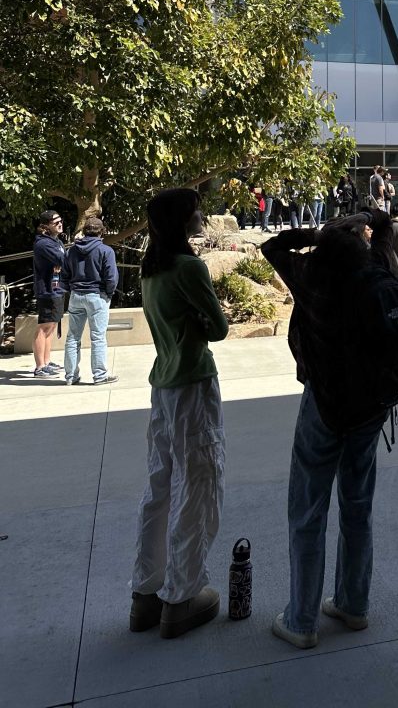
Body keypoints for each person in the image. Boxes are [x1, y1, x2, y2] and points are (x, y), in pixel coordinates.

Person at [263, 212, 398, 649]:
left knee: (308, 510)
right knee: (357, 504)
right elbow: (384, 229)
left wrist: (319, 233)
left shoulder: (312, 277)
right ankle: (353, 604)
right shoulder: (379, 272)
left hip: (325, 405)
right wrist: (356, 227)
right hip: (371, 409)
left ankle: (302, 619)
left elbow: (272, 247)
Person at [131, 188, 229, 639]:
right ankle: (182, 596)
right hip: (192, 384)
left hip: (163, 386)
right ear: (181, 219)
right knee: (198, 485)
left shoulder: (150, 271)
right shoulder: (190, 267)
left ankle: (145, 593)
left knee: (159, 487)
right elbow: (220, 328)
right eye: (195, 208)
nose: (201, 213)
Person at [61, 215, 119, 386]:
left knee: (72, 337)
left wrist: (70, 290)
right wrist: (108, 294)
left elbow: (64, 274)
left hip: (76, 295)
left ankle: (70, 376)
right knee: (98, 337)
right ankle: (99, 375)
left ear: (84, 231)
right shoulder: (106, 251)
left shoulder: (71, 250)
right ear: (102, 232)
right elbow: (111, 278)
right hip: (97, 296)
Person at [31, 209, 67, 378]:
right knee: (44, 326)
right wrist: (62, 259)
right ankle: (39, 367)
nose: (60, 224)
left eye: (60, 220)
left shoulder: (56, 241)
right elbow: (62, 260)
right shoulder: (43, 244)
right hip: (47, 290)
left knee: (52, 326)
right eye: (55, 222)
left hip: (57, 287)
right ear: (46, 226)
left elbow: (62, 260)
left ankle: (46, 361)